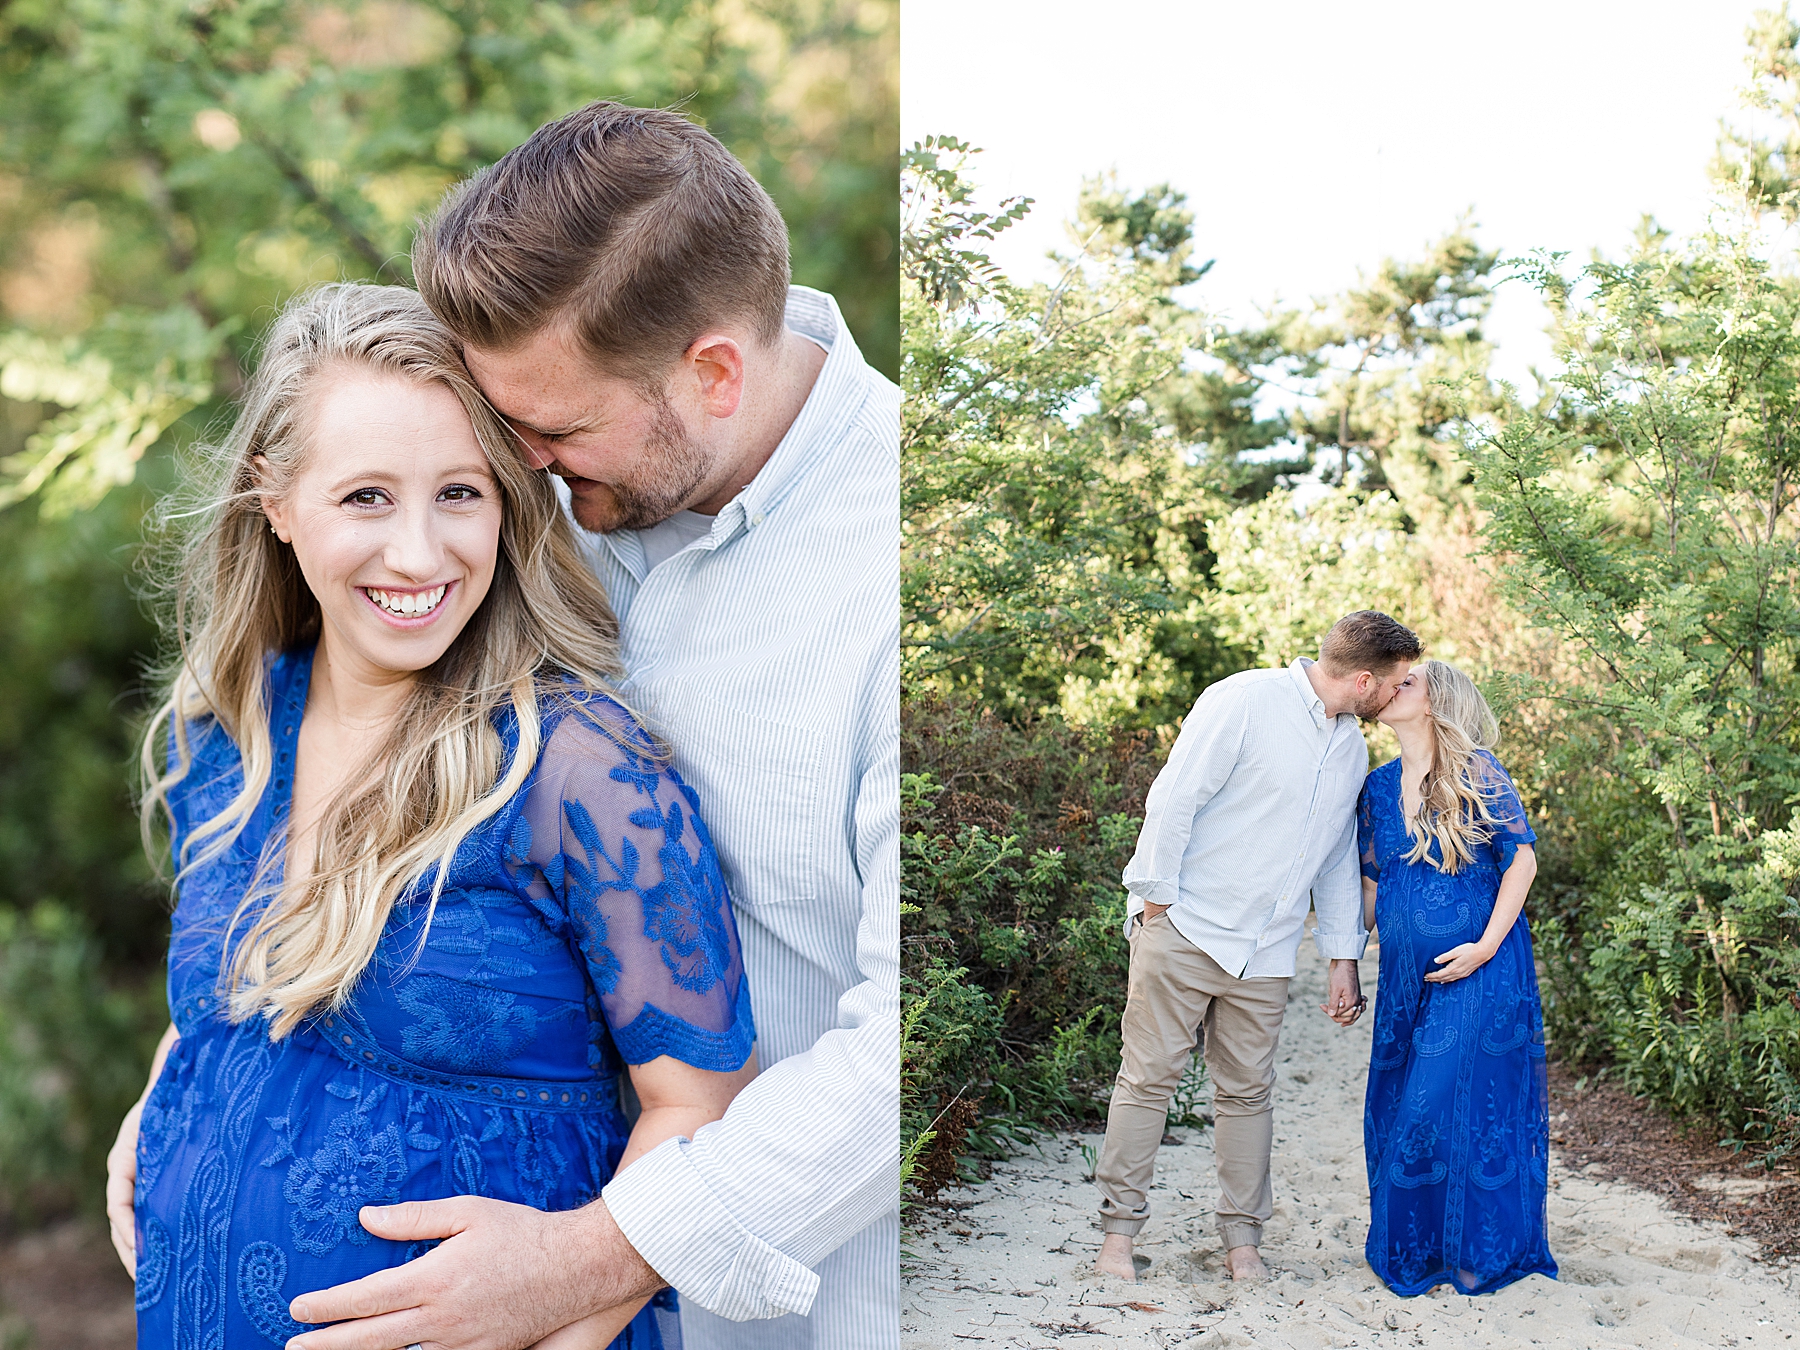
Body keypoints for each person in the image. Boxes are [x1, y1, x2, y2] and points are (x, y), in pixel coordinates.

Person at [283, 102, 900, 1350]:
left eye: (553, 433)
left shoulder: (904, 582)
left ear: (714, 370)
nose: (520, 468)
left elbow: (913, 1044)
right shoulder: (577, 475)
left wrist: (592, 1257)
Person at [103, 282, 758, 1350]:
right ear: (274, 499)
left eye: (460, 494)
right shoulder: (224, 733)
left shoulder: (578, 770)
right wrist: (175, 1094)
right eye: (366, 497)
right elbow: (240, 990)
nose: (420, 555)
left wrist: (569, 1303)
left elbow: (703, 1104)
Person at [1094, 611, 1421, 1285]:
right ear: (1365, 680)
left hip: (1267, 952)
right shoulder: (1242, 700)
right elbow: (1175, 797)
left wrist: (1341, 958)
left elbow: (1334, 861)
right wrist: (1156, 902)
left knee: (1248, 1095)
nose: (1401, 690)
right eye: (1396, 681)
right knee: (1147, 1081)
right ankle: (1117, 1240)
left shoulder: (1351, 748)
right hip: (1186, 928)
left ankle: (1243, 1244)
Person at [1358, 659, 1555, 1295]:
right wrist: (1343, 955)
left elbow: (1520, 861)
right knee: (1401, 1105)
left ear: (1437, 702)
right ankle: (1426, 1253)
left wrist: (1484, 946)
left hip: (1479, 969)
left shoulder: (1475, 773)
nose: (1392, 688)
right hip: (1402, 982)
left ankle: (1479, 1253)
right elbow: (1370, 886)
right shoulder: (1378, 787)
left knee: (1444, 1105)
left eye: (1407, 683)